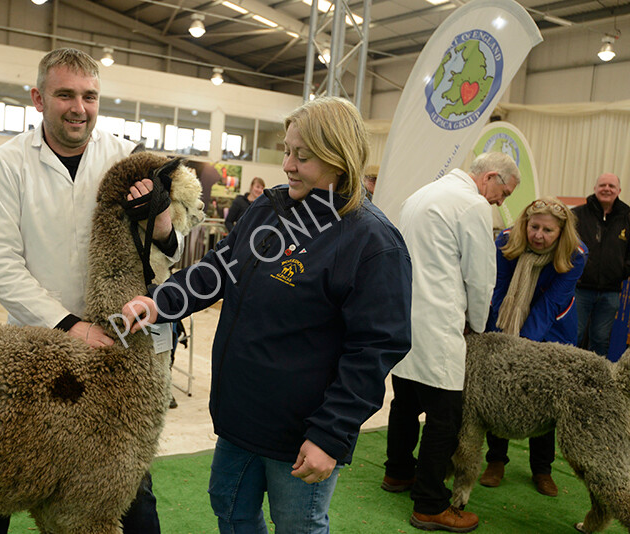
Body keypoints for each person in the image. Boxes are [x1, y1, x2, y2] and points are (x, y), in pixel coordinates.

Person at [122, 96, 412, 533]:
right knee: (229, 506)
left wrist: (329, 434)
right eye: (288, 151)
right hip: (241, 415)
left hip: (302, 430)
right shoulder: (270, 208)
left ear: (339, 158)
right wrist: (161, 301)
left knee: (298, 525)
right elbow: (218, 269)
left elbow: (374, 349)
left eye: (304, 156)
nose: (289, 165)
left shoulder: (372, 242)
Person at [0, 48, 181, 534]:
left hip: (115, 346)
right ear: (38, 98)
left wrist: (163, 218)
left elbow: (170, 252)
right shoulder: (8, 163)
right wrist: (68, 326)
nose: (78, 107)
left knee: (127, 482)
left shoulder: (128, 158)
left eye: (89, 96)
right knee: (1, 472)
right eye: (65, 94)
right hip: (34, 343)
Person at [382, 152, 520, 533]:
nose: (499, 202)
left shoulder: (421, 194)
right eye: (503, 193)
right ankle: (429, 503)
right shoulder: (472, 204)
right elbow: (480, 276)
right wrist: (478, 324)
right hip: (440, 323)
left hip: (406, 319)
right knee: (445, 418)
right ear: (490, 177)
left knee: (406, 402)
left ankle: (397, 473)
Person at [478, 197, 587, 497]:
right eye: (534, 227)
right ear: (524, 224)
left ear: (561, 233)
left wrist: (522, 346)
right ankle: (496, 460)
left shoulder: (576, 254)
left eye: (547, 231)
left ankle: (542, 469)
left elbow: (551, 303)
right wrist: (503, 339)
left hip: (553, 329)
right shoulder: (505, 242)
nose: (538, 235)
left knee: (546, 396)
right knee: (500, 391)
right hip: (507, 319)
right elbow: (499, 289)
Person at [572, 173, 630, 357]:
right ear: (595, 189)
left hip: (611, 292)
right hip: (580, 289)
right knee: (575, 334)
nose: (607, 189)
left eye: (611, 186)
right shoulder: (576, 214)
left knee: (600, 338)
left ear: (619, 191)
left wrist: (622, 272)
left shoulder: (627, 217)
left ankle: (595, 380)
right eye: (603, 185)